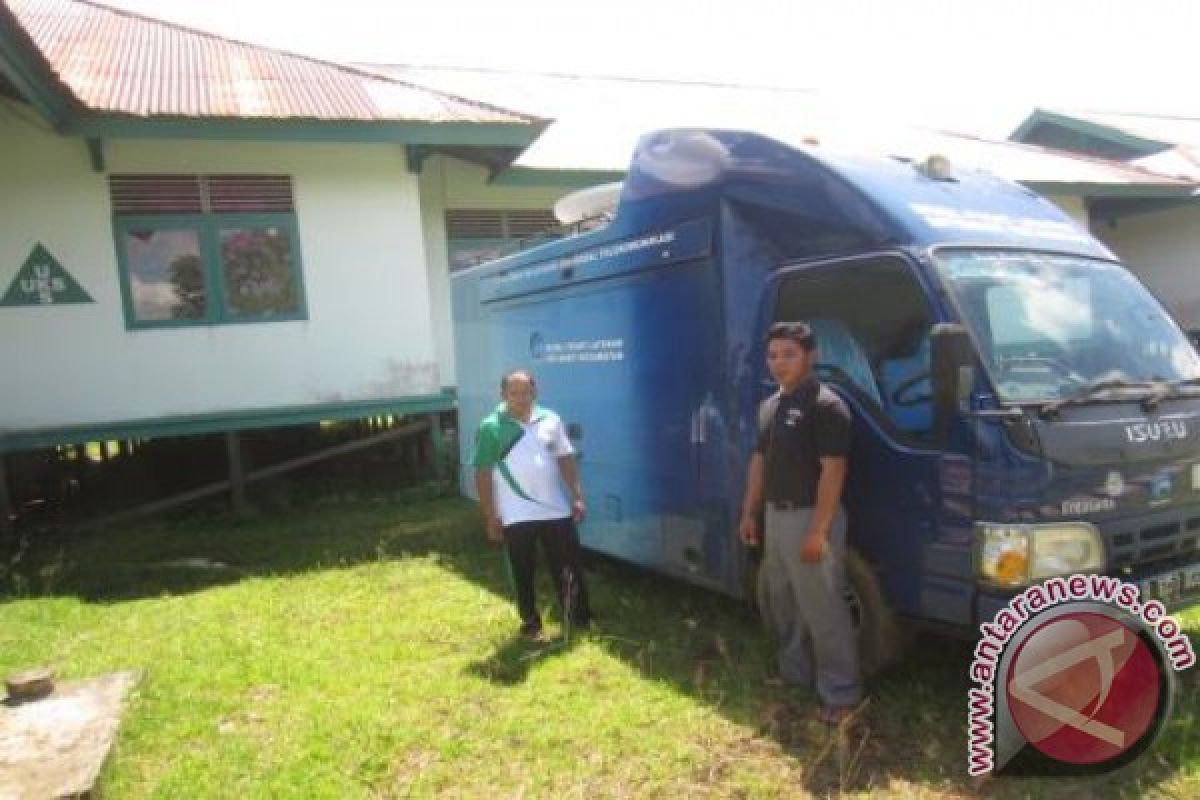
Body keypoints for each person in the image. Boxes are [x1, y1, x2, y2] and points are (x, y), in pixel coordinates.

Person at [738, 321, 862, 724]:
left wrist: (819, 531)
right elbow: (759, 462)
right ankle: (796, 674)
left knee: (823, 607)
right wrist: (750, 512)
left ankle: (841, 694)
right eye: (772, 355)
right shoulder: (771, 405)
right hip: (776, 515)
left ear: (811, 356)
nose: (778, 363)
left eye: (788, 354)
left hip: (810, 516)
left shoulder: (826, 405)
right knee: (783, 599)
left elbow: (834, 471)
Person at [472, 368, 592, 641]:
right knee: (522, 571)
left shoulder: (551, 419)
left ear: (534, 392)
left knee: (568, 568)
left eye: (526, 392)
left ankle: (579, 619)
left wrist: (576, 495)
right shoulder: (490, 427)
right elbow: (482, 473)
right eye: (514, 393)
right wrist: (490, 516)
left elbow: (565, 458)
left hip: (556, 510)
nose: (521, 398)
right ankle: (530, 623)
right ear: (503, 395)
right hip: (515, 515)